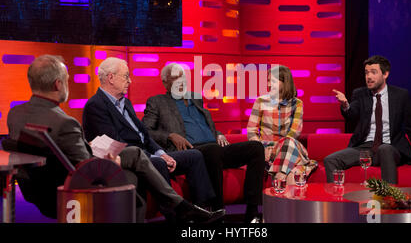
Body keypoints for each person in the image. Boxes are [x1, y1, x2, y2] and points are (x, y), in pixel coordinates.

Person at [7, 54, 224, 223]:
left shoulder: (15, 114)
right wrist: (114, 161)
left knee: (139, 158)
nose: (68, 84)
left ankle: (186, 208)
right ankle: (181, 210)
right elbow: (89, 168)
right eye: (67, 80)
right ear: (57, 84)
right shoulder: (67, 121)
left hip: (38, 188)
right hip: (71, 188)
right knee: (132, 174)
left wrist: (90, 145)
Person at [82, 57, 216, 209]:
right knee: (158, 163)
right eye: (126, 76)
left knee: (194, 156)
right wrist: (154, 157)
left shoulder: (125, 102)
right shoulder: (96, 106)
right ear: (110, 78)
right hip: (130, 159)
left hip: (149, 154)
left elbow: (144, 134)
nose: (130, 81)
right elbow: (116, 144)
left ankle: (203, 210)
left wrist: (161, 153)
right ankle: (176, 216)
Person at [141, 63, 266, 223]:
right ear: (165, 83)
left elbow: (204, 125)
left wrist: (219, 134)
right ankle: (218, 210)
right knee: (212, 150)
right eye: (175, 78)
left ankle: (252, 211)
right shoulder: (157, 102)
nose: (180, 81)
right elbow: (145, 131)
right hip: (192, 150)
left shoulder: (196, 97)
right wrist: (170, 135)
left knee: (255, 148)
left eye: (182, 77)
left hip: (214, 147)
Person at [325, 55, 411, 184]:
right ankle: (337, 198)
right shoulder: (360, 93)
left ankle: (390, 198)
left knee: (385, 149)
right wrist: (345, 105)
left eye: (373, 72)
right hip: (365, 148)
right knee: (330, 160)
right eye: (366, 73)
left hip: (391, 147)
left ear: (385, 74)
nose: (369, 77)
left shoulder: (401, 95)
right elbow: (352, 113)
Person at [247, 65, 318, 185]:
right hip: (267, 149)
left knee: (288, 141)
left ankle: (279, 176)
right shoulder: (260, 101)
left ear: (285, 82)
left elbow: (294, 133)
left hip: (288, 146)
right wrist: (260, 148)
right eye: (268, 81)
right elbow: (251, 131)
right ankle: (285, 179)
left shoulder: (297, 104)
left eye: (273, 81)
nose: (269, 84)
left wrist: (278, 147)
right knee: (294, 171)